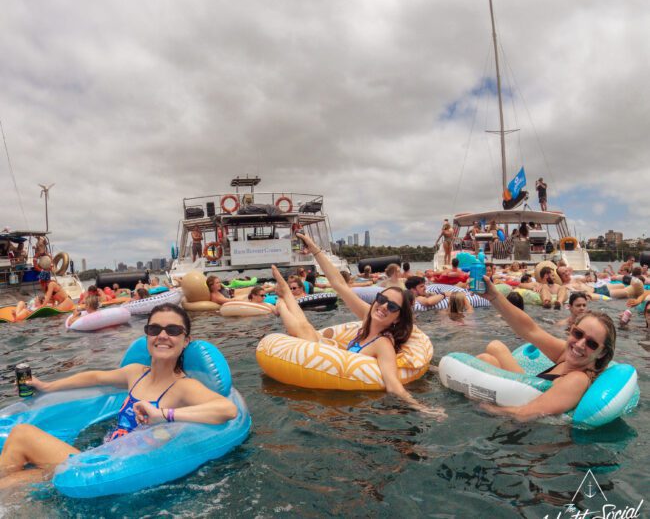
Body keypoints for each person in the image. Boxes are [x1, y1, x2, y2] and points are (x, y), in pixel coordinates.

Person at [0, 304, 238, 488]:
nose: (163, 335)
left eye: (173, 330)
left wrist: (164, 414)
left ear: (185, 341)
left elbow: (227, 410)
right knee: (14, 481)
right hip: (103, 458)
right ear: (147, 336)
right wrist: (48, 386)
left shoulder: (183, 387)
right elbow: (94, 377)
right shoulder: (136, 373)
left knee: (22, 434)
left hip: (121, 467)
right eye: (154, 329)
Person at [275, 234, 445, 419]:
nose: (384, 307)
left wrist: (423, 409)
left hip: (350, 407)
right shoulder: (368, 317)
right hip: (336, 378)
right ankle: (286, 296)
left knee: (304, 333)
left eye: (393, 307)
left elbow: (393, 385)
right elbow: (339, 285)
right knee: (307, 330)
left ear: (397, 319)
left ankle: (283, 302)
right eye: (381, 299)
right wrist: (315, 249)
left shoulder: (383, 344)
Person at [475, 278, 616, 420]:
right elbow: (530, 330)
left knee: (483, 360)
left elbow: (525, 414)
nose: (579, 344)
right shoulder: (565, 354)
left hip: (523, 426)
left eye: (592, 344)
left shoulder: (577, 379)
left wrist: (482, 406)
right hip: (522, 395)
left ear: (602, 352)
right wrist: (494, 297)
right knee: (493, 351)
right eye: (578, 334)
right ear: (572, 330)